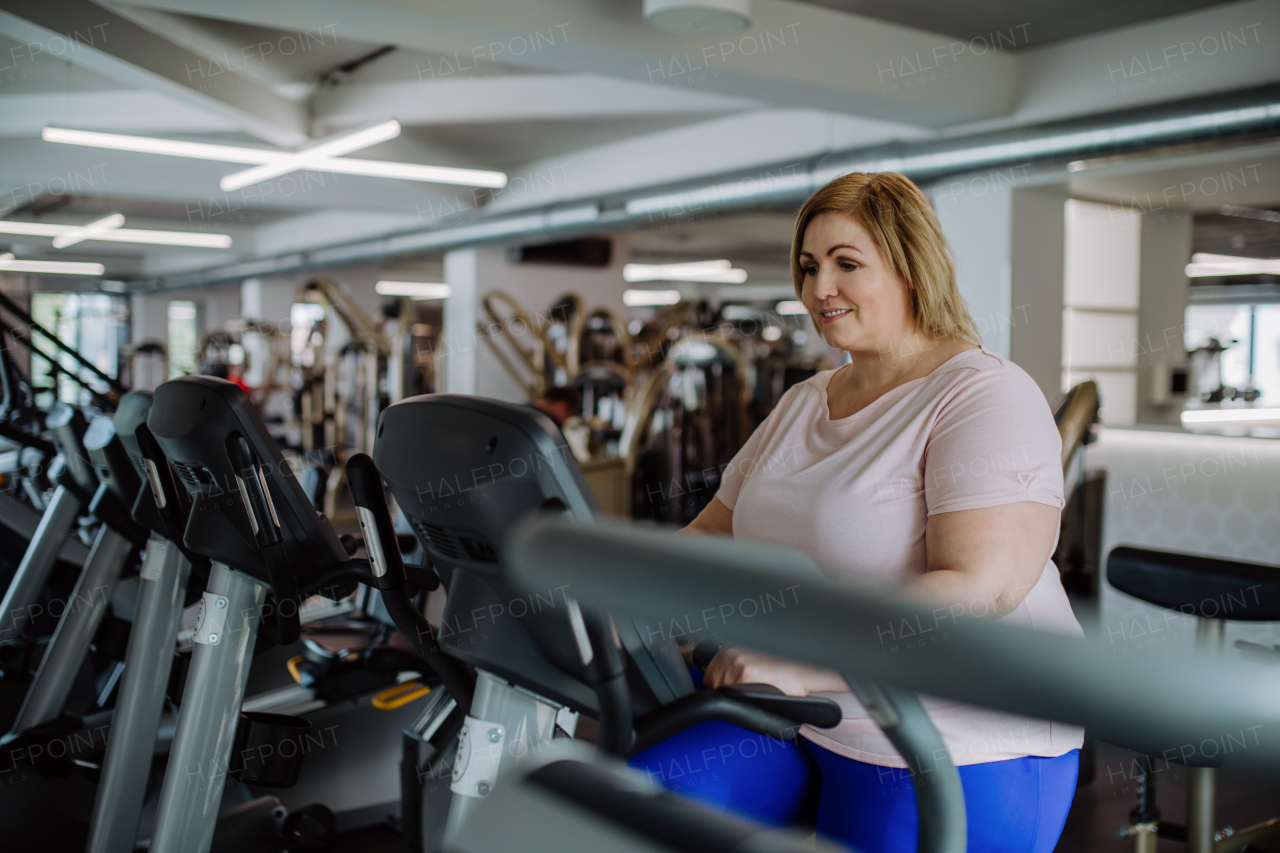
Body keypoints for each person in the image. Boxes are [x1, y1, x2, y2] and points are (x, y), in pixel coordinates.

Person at [685, 171, 1082, 853]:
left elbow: (976, 589)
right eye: (809, 267)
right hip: (812, 713)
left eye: (846, 264)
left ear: (910, 269)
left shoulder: (982, 395)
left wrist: (805, 664)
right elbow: (712, 533)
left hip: (955, 739)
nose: (817, 289)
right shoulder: (805, 401)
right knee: (628, 805)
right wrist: (607, 597)